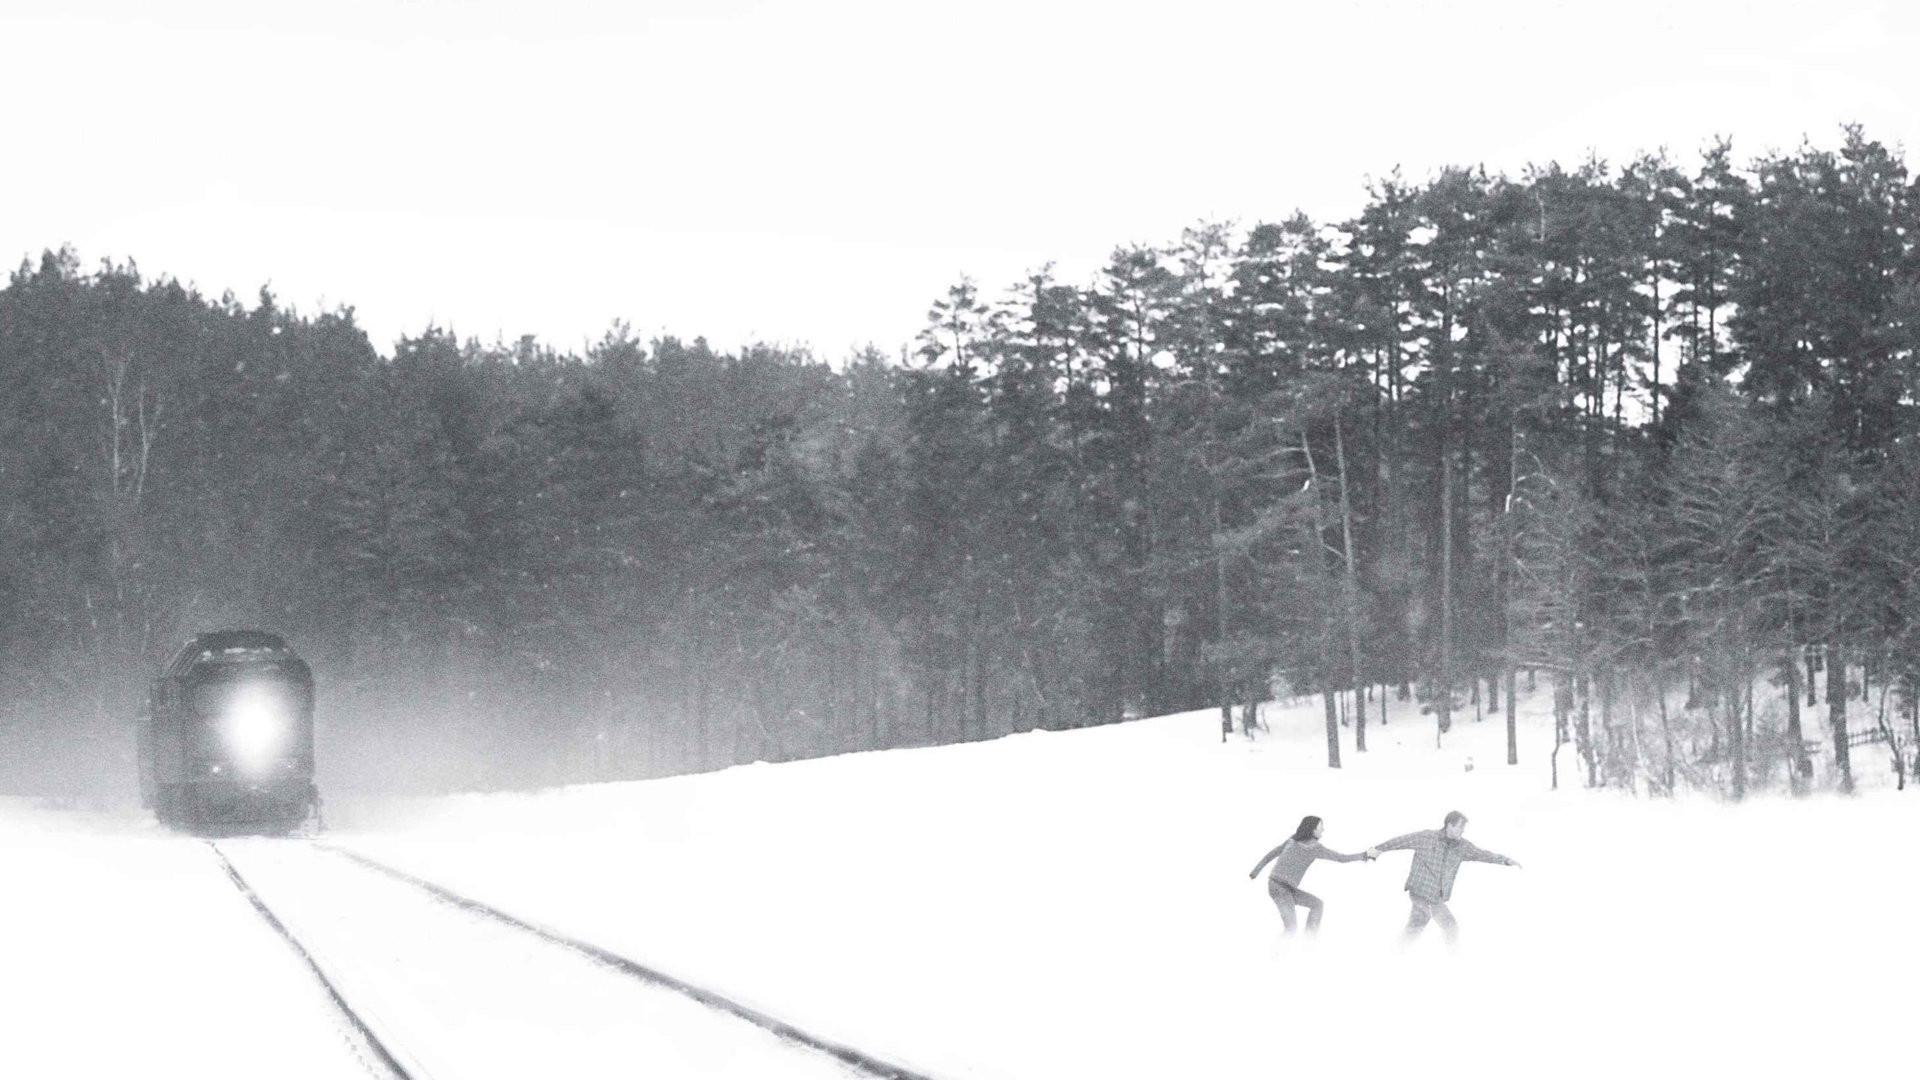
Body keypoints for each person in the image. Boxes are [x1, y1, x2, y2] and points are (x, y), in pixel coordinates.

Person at [1366, 810, 1519, 944]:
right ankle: (1453, 958)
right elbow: (1401, 841)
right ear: (1449, 825)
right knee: (1449, 926)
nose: (1462, 831)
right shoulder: (1427, 837)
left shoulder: (1462, 847)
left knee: (1418, 926)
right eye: (1460, 827)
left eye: (1463, 828)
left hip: (1436, 897)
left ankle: (1397, 951)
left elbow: (1482, 854)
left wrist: (1505, 860)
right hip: (1420, 892)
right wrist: (1378, 849)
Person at [1247, 815, 1372, 934]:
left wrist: (1364, 855)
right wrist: (1255, 872)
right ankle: (1283, 950)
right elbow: (1272, 854)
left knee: (1317, 904)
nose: (1323, 829)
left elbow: (1341, 858)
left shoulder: (1305, 844)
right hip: (1278, 887)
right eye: (1320, 826)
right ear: (1312, 829)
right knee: (1291, 929)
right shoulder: (1299, 842)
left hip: (1287, 889)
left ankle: (1309, 939)